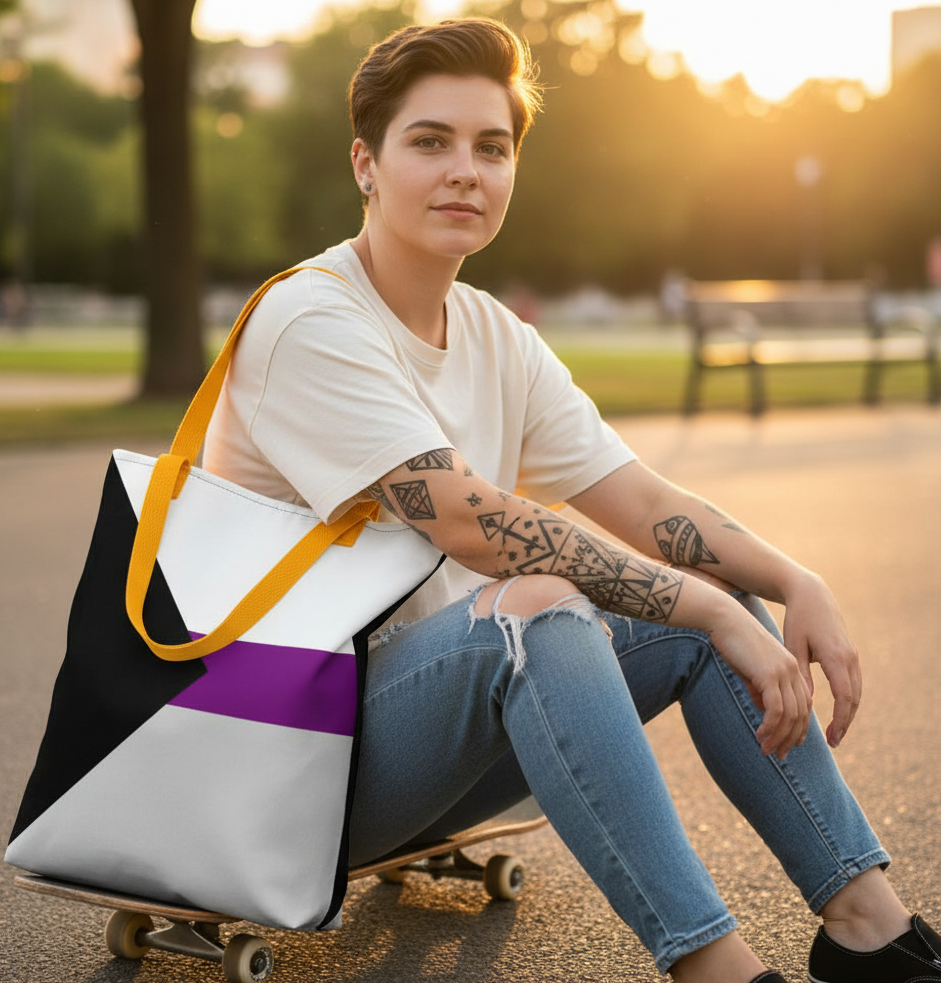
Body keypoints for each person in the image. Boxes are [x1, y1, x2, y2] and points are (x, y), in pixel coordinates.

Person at [202, 18, 940, 983]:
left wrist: (793, 580)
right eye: (430, 141)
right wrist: (711, 608)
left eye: (491, 147)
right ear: (365, 164)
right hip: (282, 765)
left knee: (701, 604)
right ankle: (716, 969)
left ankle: (869, 930)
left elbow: (643, 500)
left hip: (423, 755)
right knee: (543, 611)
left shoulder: (492, 335)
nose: (465, 171)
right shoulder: (310, 318)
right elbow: (467, 521)